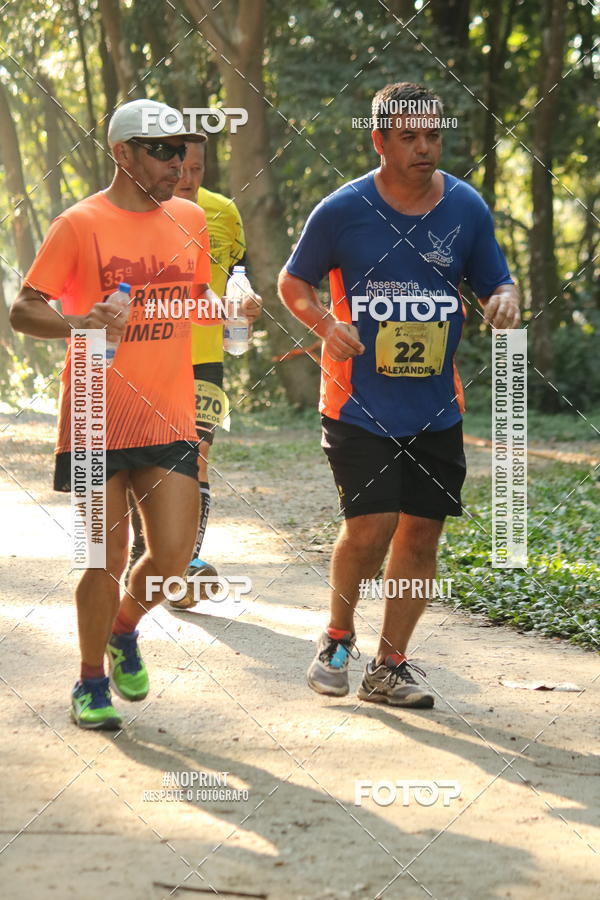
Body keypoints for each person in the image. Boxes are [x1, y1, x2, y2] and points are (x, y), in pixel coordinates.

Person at [278, 82, 520, 708]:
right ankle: (336, 637)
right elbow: (293, 282)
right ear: (379, 141)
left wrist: (504, 300)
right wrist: (324, 324)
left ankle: (389, 666)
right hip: (357, 402)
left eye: (432, 136)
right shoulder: (342, 209)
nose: (424, 148)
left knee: (420, 535)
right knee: (371, 528)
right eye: (409, 137)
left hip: (436, 407)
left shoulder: (466, 207)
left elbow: (497, 281)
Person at [10, 99, 222, 730]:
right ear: (122, 153)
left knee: (173, 559)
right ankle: (89, 681)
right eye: (161, 151)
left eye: (181, 151)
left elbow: (196, 299)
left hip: (169, 413)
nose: (177, 163)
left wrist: (231, 308)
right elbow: (23, 309)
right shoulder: (79, 224)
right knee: (104, 555)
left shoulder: (191, 219)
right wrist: (81, 321)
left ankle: (123, 629)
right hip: (95, 414)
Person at [126, 139, 262, 609]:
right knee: (146, 459)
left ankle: (183, 565)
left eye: (198, 169)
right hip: (149, 355)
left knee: (196, 457)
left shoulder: (223, 212)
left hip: (204, 357)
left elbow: (238, 273)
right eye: (179, 167)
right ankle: (146, 554)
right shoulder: (136, 212)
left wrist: (246, 302)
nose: (186, 178)